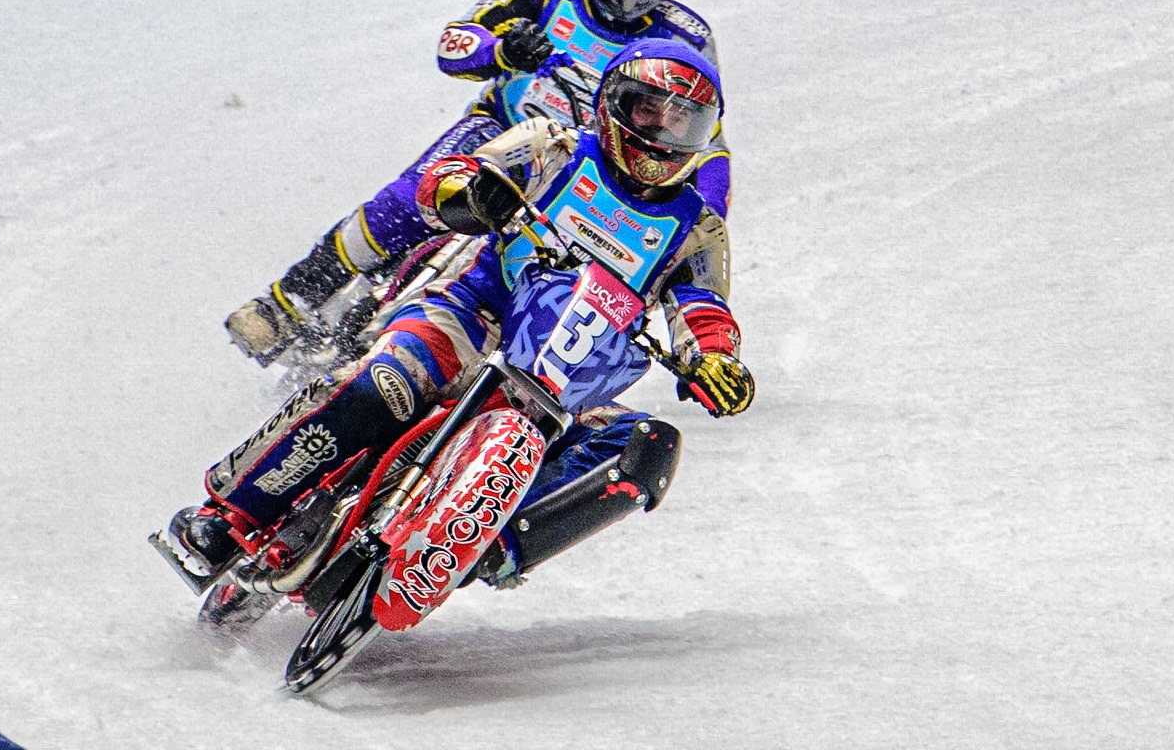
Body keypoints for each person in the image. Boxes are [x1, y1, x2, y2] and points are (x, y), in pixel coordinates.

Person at [170, 38, 754, 590]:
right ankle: (230, 516)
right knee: (382, 385)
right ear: (611, 104)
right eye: (649, 110)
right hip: (474, 315)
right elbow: (446, 180)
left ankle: (496, 546)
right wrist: (472, 192)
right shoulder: (553, 144)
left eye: (683, 120)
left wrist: (716, 360)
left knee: (645, 447)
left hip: (568, 379)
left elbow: (703, 306)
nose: (661, 132)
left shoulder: (698, 228)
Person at [224, 0, 732, 368]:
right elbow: (453, 44)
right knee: (407, 201)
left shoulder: (685, 38)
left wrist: (703, 213)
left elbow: (709, 141)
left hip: (598, 170)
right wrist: (502, 49)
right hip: (504, 132)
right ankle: (287, 301)